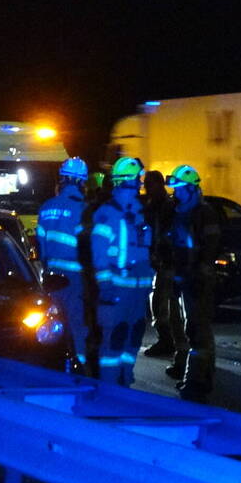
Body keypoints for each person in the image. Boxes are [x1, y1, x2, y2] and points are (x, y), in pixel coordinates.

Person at [158, 165, 221, 402]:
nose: (175, 193)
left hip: (197, 280)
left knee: (198, 331)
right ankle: (202, 374)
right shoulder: (177, 212)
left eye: (179, 189)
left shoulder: (204, 213)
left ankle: (196, 382)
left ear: (191, 188)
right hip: (182, 277)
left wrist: (199, 273)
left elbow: (210, 246)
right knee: (189, 329)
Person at [90, 157, 154, 386]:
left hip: (137, 291)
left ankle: (125, 381)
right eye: (138, 178)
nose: (140, 183)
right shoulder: (108, 214)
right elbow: (99, 254)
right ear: (127, 180)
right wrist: (106, 287)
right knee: (114, 339)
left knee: (134, 336)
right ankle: (108, 387)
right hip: (116, 290)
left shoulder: (139, 212)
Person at [36, 157, 91, 371]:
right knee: (79, 329)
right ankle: (82, 371)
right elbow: (89, 248)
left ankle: (55, 368)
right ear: (81, 182)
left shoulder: (46, 207)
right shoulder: (84, 210)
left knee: (53, 327)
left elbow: (40, 244)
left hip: (51, 278)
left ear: (62, 179)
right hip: (76, 279)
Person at [141, 170, 176, 358]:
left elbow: (165, 235)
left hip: (166, 262)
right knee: (157, 302)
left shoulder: (167, 207)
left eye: (149, 184)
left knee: (162, 303)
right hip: (157, 261)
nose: (146, 187)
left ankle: (167, 340)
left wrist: (161, 256)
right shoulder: (152, 206)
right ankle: (166, 339)